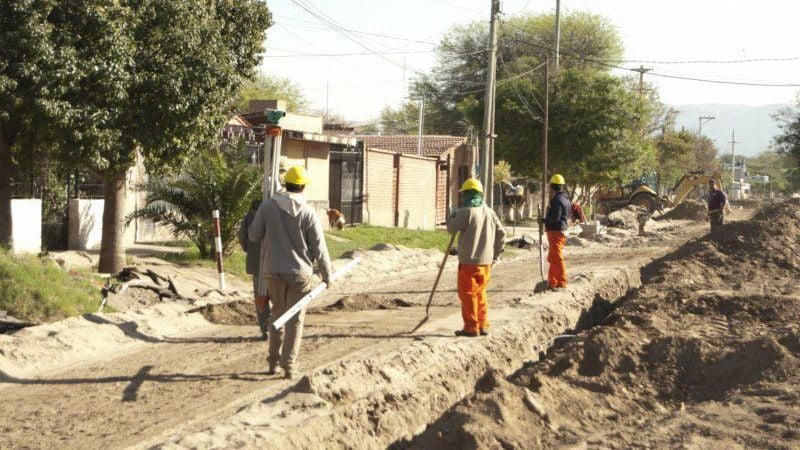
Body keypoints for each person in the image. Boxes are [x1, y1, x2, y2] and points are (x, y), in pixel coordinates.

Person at [248, 166, 332, 379]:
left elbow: (254, 235)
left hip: (273, 271)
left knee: (277, 315)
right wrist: (326, 274)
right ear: (303, 187)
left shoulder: (267, 206)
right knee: (294, 319)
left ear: (286, 184)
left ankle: (273, 363)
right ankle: (290, 366)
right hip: (299, 275)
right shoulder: (308, 211)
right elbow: (319, 247)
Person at [447, 178, 506, 338]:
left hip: (468, 263)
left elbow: (451, 229)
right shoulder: (489, 212)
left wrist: (452, 215)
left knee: (468, 294)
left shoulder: (465, 212)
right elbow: (502, 234)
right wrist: (496, 255)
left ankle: (471, 327)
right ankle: (483, 324)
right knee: (480, 294)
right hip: (486, 263)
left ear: (466, 194)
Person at [238, 198, 270, 340]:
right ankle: (278, 327)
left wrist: (250, 250)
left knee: (260, 297)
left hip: (257, 263)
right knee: (279, 296)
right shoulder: (276, 212)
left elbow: (242, 237)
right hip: (276, 263)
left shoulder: (250, 216)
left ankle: (266, 329)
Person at [538, 174, 571, 291]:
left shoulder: (557, 200)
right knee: (553, 257)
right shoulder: (566, 199)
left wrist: (543, 220)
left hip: (556, 232)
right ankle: (552, 282)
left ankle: (562, 282)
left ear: (552, 187)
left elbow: (555, 218)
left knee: (557, 257)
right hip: (560, 230)